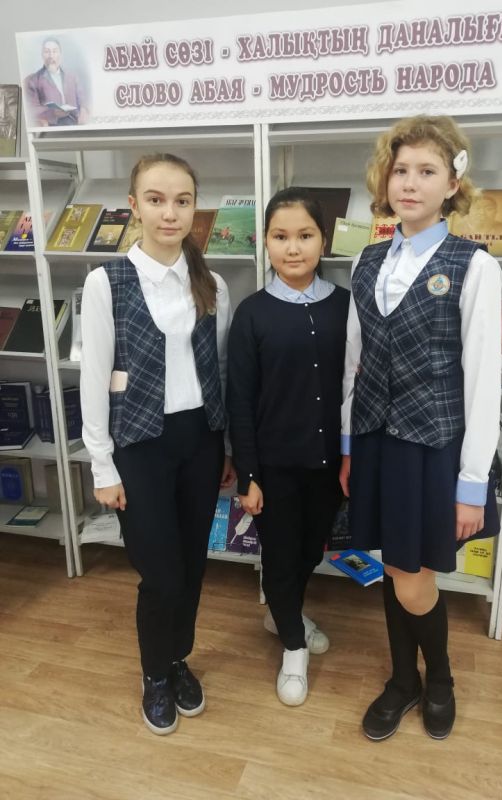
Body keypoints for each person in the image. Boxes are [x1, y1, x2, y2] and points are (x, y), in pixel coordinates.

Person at [339, 115, 502, 741]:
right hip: (375, 440)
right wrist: (349, 444)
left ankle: (440, 681)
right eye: (400, 169)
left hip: (432, 447)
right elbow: (355, 360)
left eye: (426, 171)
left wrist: (472, 481)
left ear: (452, 184)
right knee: (393, 562)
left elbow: (482, 381)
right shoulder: (368, 260)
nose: (410, 183)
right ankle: (403, 680)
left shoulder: (473, 266)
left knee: (413, 577)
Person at [80, 152, 234, 736]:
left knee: (192, 565)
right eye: (156, 199)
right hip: (140, 445)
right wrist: (102, 465)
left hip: (200, 440)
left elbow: (218, 368)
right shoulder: (107, 282)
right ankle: (153, 674)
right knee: (161, 573)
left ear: (195, 208)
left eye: (182, 201)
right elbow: (95, 377)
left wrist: (226, 447)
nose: (170, 213)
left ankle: (177, 659)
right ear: (134, 206)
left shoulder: (211, 283)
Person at [227, 187, 349, 706]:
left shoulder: (346, 305)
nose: (293, 248)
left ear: (323, 241)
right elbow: (240, 399)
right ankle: (293, 648)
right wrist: (248, 474)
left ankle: (284, 616)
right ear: (266, 242)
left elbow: (355, 385)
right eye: (280, 236)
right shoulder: (252, 313)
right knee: (279, 557)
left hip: (329, 464)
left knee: (309, 551)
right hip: (274, 467)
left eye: (305, 235)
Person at [24, 37, 89, 126]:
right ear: (42, 55)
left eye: (54, 51)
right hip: (52, 125)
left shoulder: (72, 76)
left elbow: (82, 98)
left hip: (75, 122)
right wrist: (53, 112)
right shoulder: (33, 80)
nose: (51, 56)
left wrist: (84, 110)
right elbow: (32, 109)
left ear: (60, 54)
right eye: (47, 52)